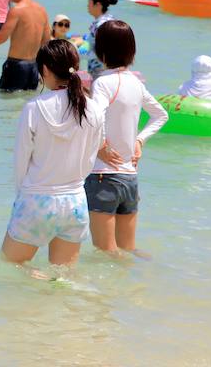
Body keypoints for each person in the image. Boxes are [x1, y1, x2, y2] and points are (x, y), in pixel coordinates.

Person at [2, 39, 105, 266]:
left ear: (45, 70)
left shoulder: (34, 108)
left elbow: (21, 161)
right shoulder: (94, 108)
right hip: (75, 202)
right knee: (63, 277)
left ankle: (36, 279)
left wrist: (20, 199)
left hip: (36, 200)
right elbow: (93, 154)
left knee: (10, 266)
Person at [86, 20, 168, 254]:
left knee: (105, 252)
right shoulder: (136, 83)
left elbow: (95, 115)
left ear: (100, 51)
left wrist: (100, 144)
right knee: (127, 250)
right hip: (130, 178)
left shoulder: (102, 82)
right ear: (132, 51)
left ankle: (110, 292)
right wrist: (139, 140)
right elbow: (161, 116)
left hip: (103, 177)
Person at [85, 0, 118, 79]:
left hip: (101, 72)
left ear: (98, 5)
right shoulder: (111, 20)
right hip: (111, 70)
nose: (88, 6)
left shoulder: (100, 25)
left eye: (90, 3)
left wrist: (78, 54)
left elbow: (102, 50)